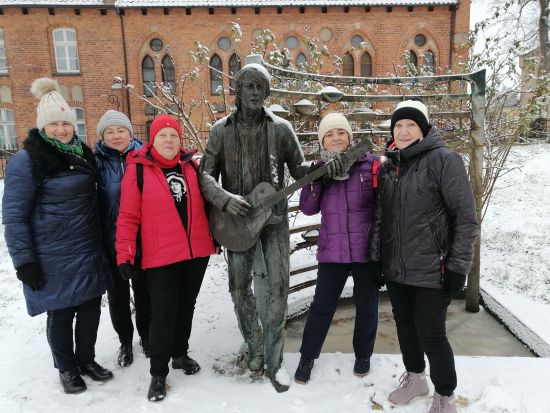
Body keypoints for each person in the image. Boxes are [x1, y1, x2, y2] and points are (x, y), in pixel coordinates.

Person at [199, 64, 314, 392]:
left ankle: (274, 359)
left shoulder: (281, 129)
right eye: (248, 86)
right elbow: (205, 174)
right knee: (238, 288)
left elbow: (299, 166)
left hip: (273, 220)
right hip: (235, 222)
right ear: (238, 89)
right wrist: (223, 199)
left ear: (267, 93)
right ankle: (255, 344)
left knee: (279, 286)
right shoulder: (221, 130)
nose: (253, 92)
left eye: (260, 88)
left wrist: (323, 166)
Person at [2, 77, 113, 394]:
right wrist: (24, 260)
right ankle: (66, 368)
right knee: (62, 312)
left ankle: (86, 360)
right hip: (53, 255)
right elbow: (14, 215)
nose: (62, 129)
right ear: (42, 127)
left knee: (90, 309)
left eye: (67, 122)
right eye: (54, 125)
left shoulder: (83, 153)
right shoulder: (27, 161)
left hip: (88, 247)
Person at [368, 100, 477, 413]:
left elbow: (465, 217)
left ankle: (445, 395)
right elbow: (380, 216)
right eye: (398, 126)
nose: (403, 131)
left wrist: (458, 266)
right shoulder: (389, 166)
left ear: (424, 129)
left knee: (431, 332)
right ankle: (416, 379)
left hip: (434, 267)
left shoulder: (445, 160)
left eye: (410, 125)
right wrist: (377, 259)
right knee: (404, 326)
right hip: (397, 268)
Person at [116, 114, 216, 402]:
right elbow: (127, 217)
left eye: (174, 135)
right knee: (163, 313)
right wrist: (125, 254)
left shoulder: (191, 166)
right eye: (163, 135)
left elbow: (206, 206)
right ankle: (158, 373)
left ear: (180, 140)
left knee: (187, 306)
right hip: (159, 255)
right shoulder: (138, 170)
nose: (169, 140)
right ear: (153, 139)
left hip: (195, 252)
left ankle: (180, 354)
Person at [293, 113, 381, 385]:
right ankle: (308, 357)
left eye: (341, 133)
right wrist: (317, 181)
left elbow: (384, 203)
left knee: (367, 304)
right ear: (323, 141)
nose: (336, 138)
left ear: (349, 137)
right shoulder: (318, 170)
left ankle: (363, 355)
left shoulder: (371, 165)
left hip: (366, 250)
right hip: (333, 251)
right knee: (322, 305)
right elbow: (308, 208)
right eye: (330, 134)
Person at [94, 110, 151, 367]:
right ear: (102, 136)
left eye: (121, 130)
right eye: (110, 131)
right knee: (117, 296)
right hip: (112, 242)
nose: (116, 136)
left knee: (145, 293)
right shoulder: (94, 163)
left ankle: (147, 338)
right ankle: (125, 342)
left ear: (130, 132)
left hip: (145, 240)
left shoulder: (146, 157)